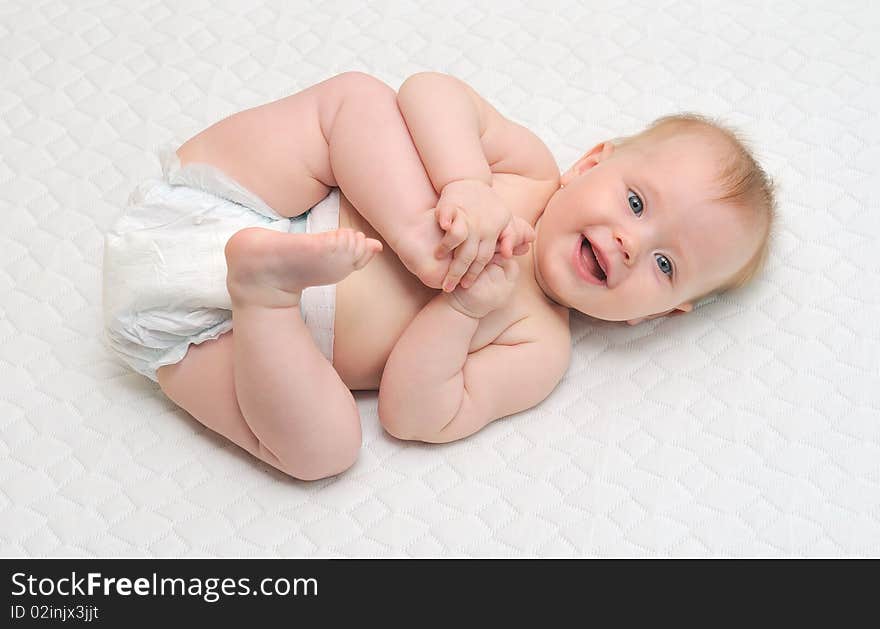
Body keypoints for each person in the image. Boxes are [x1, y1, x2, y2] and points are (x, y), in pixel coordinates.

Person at [103, 72, 775, 481]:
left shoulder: (539, 348)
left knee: (327, 450)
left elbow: (413, 414)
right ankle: (414, 236)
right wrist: (464, 183)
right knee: (356, 100)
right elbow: (429, 91)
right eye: (635, 202)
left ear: (657, 315)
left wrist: (460, 312)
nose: (631, 244)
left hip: (214, 342)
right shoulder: (527, 169)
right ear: (592, 161)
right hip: (234, 198)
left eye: (665, 265)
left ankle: (266, 295)